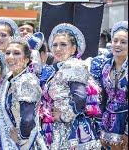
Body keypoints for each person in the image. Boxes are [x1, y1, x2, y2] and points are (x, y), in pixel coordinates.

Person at [39, 23, 101, 149]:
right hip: (60, 127)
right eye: (55, 45)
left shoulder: (73, 65)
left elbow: (79, 98)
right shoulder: (59, 68)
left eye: (63, 45)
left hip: (71, 128)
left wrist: (62, 116)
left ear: (73, 49)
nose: (57, 49)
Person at [0, 37, 44, 149]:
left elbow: (28, 119)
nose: (10, 57)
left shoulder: (26, 80)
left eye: (16, 53)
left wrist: (21, 137)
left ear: (27, 59)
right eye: (8, 53)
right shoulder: (9, 79)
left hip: (26, 144)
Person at [90, 21, 128, 150]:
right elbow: (102, 98)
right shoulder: (105, 66)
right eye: (115, 40)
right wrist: (100, 124)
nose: (118, 45)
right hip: (106, 123)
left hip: (125, 122)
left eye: (123, 42)